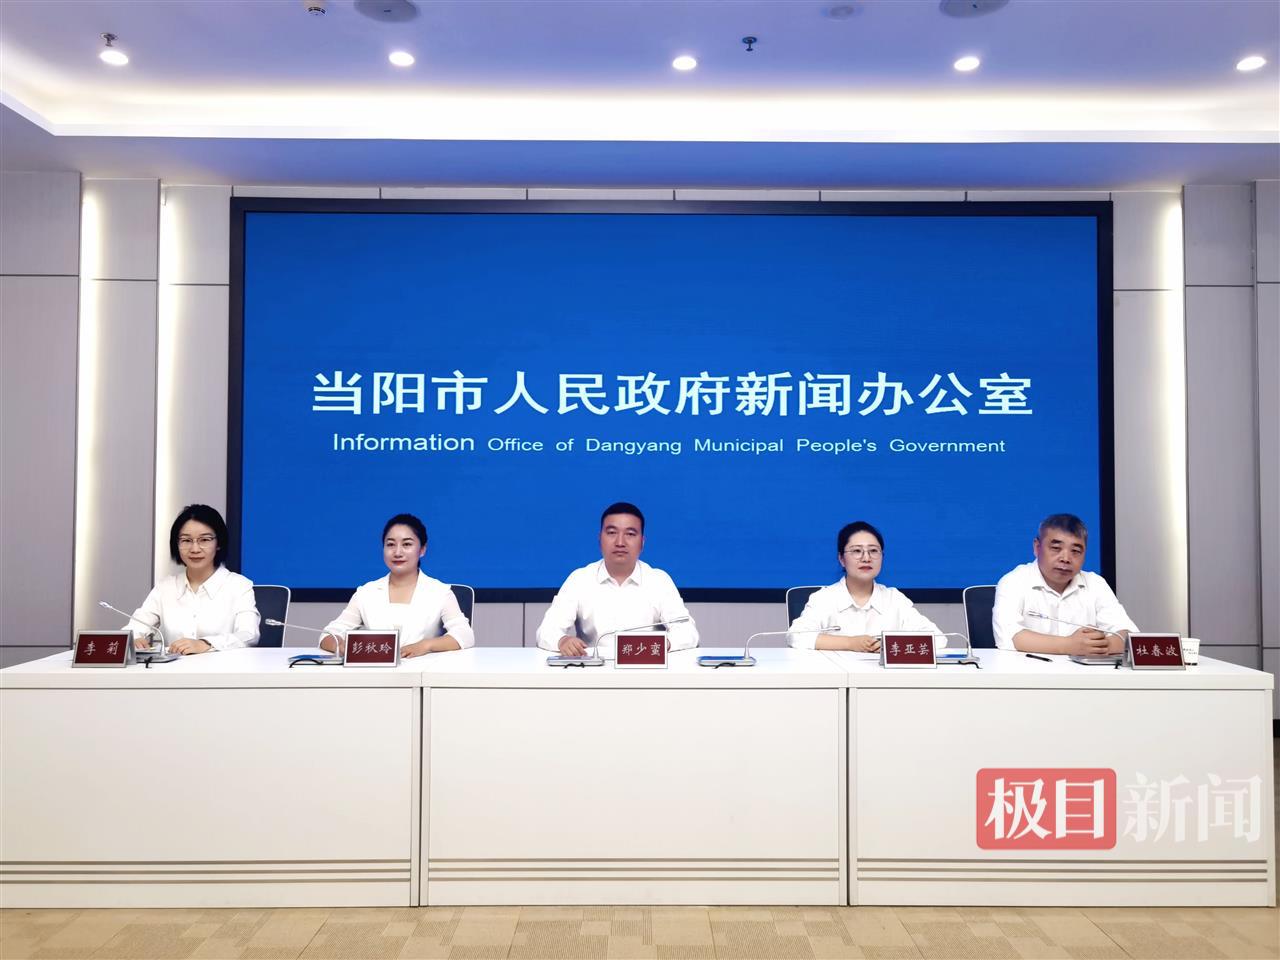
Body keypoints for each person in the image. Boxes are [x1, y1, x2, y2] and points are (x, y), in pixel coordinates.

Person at [536, 502, 698, 658]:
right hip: (593, 670)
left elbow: (687, 631)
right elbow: (546, 631)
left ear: (642, 542)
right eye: (612, 533)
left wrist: (661, 645)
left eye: (630, 534)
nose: (620, 542)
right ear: (600, 539)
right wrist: (562, 641)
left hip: (646, 669)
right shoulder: (579, 580)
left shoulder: (659, 581)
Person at [319, 513, 474, 658]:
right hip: (374, 672)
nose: (397, 552)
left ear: (422, 550)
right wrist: (341, 646)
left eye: (407, 544)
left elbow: (464, 634)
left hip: (422, 672)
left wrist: (426, 645)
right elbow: (328, 634)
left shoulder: (440, 592)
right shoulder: (366, 593)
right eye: (391, 544)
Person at [992, 512, 1137, 655]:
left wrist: (1097, 646)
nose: (1066, 558)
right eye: (1056, 548)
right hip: (1029, 670)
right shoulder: (1013, 581)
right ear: (1037, 547)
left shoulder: (1096, 584)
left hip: (1083, 670)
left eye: (1075, 551)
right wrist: (1069, 645)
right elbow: (1008, 636)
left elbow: (1129, 635)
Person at [788, 521, 944, 652]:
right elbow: (796, 636)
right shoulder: (824, 598)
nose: (866, 558)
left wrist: (889, 645)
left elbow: (938, 639)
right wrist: (850, 643)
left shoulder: (894, 599)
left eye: (873, 551)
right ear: (841, 559)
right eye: (857, 551)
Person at [128, 504, 259, 655]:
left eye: (205, 540)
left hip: (223, 668)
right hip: (174, 669)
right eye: (186, 540)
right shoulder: (165, 587)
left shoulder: (239, 586)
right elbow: (134, 628)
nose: (195, 549)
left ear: (219, 543)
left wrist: (206, 644)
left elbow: (249, 635)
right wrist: (134, 639)